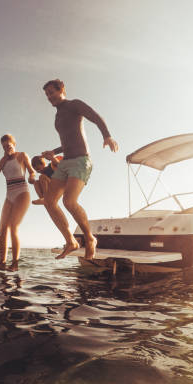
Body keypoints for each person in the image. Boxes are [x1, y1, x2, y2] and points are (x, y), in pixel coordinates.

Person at [40, 78, 118, 260]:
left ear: (62, 90)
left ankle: (90, 239)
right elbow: (67, 141)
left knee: (69, 201)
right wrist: (54, 151)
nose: (49, 97)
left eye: (52, 92)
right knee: (49, 201)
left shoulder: (74, 105)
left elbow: (95, 116)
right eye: (47, 94)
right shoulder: (57, 117)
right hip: (65, 161)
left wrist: (107, 136)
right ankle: (71, 242)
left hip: (81, 161)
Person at [0, 134, 36, 271]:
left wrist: (32, 177)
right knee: (3, 229)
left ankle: (15, 264)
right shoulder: (3, 159)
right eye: (4, 146)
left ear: (14, 144)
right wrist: (4, 157)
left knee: (13, 226)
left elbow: (32, 172)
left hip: (22, 193)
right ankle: (2, 263)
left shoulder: (22, 155)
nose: (6, 148)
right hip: (9, 195)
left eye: (8, 145)